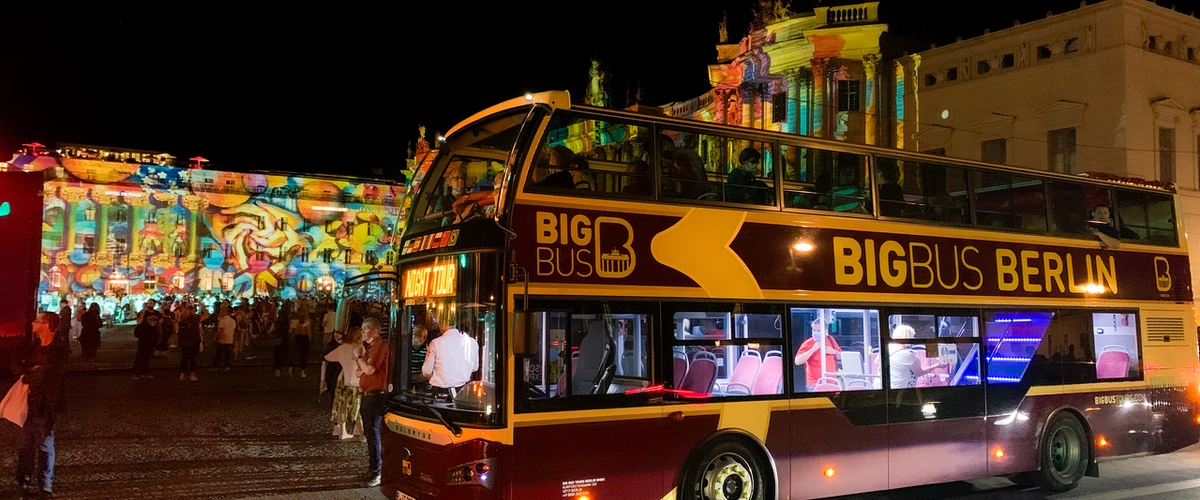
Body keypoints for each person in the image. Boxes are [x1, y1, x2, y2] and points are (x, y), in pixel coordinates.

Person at [16, 311, 70, 497]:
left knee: (45, 445)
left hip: (46, 405)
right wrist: (32, 371)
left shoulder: (59, 348)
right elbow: (17, 367)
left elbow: (51, 374)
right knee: (25, 446)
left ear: (46, 325)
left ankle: (45, 485)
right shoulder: (34, 346)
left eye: (37, 321)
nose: (33, 323)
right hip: (28, 404)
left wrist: (31, 373)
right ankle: (23, 480)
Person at [355, 317, 390, 487]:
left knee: (373, 433)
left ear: (375, 330)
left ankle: (377, 471)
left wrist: (359, 358)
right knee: (370, 434)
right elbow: (358, 372)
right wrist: (362, 364)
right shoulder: (370, 348)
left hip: (376, 396)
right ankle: (373, 468)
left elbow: (368, 370)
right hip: (368, 394)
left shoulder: (380, 346)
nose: (362, 333)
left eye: (365, 329)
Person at [421, 316, 480, 399]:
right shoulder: (472, 342)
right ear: (455, 324)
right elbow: (474, 368)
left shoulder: (436, 343)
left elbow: (426, 371)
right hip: (463, 391)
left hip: (440, 392)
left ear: (442, 324)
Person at [324, 327, 363, 440]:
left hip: (343, 377)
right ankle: (361, 433)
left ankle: (343, 432)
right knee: (357, 406)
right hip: (356, 379)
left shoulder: (341, 348)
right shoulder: (359, 348)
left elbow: (327, 357)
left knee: (342, 404)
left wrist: (341, 360)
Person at [888, 323, 946, 389]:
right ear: (907, 338)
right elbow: (919, 372)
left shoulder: (889, 350)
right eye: (912, 337)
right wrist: (937, 365)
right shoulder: (906, 354)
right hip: (901, 388)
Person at [793, 318, 841, 391]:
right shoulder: (808, 343)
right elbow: (797, 361)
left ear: (825, 331)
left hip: (832, 383)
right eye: (814, 330)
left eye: (818, 330)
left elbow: (840, 357)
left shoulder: (830, 339)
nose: (815, 333)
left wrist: (834, 351)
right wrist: (812, 350)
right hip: (814, 385)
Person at [132, 309, 160, 379]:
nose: (154, 322)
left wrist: (156, 346)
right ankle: (136, 373)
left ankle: (143, 372)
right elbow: (137, 334)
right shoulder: (144, 326)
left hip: (149, 344)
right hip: (143, 344)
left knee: (146, 359)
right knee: (140, 358)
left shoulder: (153, 328)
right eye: (152, 321)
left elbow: (156, 337)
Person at [177, 303, 202, 381]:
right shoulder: (195, 319)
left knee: (185, 358)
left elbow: (179, 333)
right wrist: (202, 306)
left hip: (185, 341)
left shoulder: (182, 320)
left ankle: (182, 374)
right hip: (194, 340)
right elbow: (206, 315)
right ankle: (192, 374)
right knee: (192, 358)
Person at [79, 303, 103, 370]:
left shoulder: (85, 315)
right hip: (93, 334)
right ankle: (91, 364)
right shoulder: (96, 316)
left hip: (86, 334)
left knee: (85, 350)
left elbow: (83, 323)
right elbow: (100, 325)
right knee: (93, 350)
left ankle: (83, 364)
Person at [292, 306, 312, 378]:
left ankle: (293, 369)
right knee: (303, 355)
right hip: (303, 338)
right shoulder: (307, 322)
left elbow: (292, 331)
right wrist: (310, 339)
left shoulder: (295, 321)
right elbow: (309, 332)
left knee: (296, 354)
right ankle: (302, 370)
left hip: (298, 338)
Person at [272, 305, 291, 377]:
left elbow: (270, 330)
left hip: (278, 340)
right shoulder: (287, 324)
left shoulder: (276, 323)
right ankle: (289, 369)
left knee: (277, 355)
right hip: (285, 340)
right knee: (286, 354)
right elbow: (289, 332)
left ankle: (278, 370)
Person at [410, 325, 430, 391]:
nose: (423, 339)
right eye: (420, 335)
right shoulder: (406, 348)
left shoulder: (426, 350)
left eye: (425, 337)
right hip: (406, 381)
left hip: (420, 382)